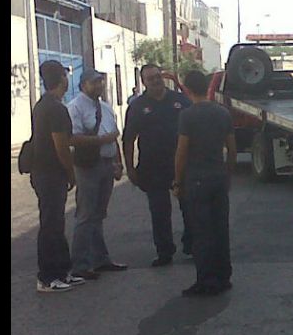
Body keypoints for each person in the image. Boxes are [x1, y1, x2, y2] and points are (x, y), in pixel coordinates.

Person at [173, 70, 237, 296]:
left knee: (201, 231)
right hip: (218, 177)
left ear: (188, 89)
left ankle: (206, 280)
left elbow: (182, 152)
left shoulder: (187, 116)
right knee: (220, 228)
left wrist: (178, 181)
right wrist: (228, 174)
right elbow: (232, 149)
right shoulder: (223, 113)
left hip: (197, 179)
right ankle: (223, 275)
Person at [123, 64, 193, 267]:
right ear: (143, 82)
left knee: (189, 207)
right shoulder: (138, 106)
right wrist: (130, 168)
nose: (155, 81)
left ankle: (192, 245)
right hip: (152, 168)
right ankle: (164, 251)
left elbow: (194, 130)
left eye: (157, 76)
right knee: (159, 211)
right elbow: (128, 139)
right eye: (150, 78)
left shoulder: (180, 101)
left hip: (181, 164)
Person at [30, 60, 85, 292]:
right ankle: (47, 277)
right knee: (51, 224)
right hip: (50, 173)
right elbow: (60, 145)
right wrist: (70, 172)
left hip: (44, 172)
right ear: (62, 78)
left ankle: (63, 271)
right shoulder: (55, 108)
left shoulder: (44, 105)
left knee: (56, 222)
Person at [67, 69, 127, 280]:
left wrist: (118, 162)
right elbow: (73, 138)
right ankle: (80, 265)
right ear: (83, 85)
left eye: (100, 81)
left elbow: (114, 136)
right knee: (85, 215)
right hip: (88, 166)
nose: (99, 85)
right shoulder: (75, 107)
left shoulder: (105, 108)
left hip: (107, 164)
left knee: (98, 215)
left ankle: (100, 259)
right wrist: (102, 140)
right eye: (94, 82)